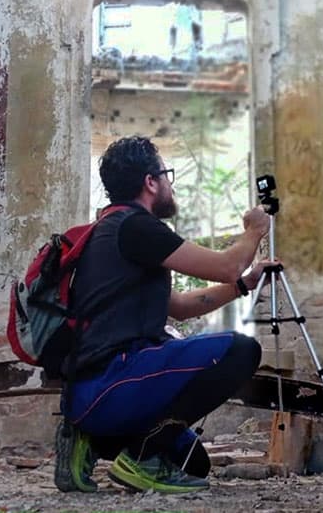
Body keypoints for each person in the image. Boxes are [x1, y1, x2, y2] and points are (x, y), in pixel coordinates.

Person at [54, 135, 276, 494]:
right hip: (114, 379)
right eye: (166, 174)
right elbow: (228, 265)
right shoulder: (135, 227)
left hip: (96, 390)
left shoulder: (112, 230)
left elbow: (180, 307)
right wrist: (254, 231)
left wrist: (245, 285)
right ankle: (140, 458)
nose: (170, 185)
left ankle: (88, 438)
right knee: (240, 351)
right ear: (150, 182)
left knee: (192, 463)